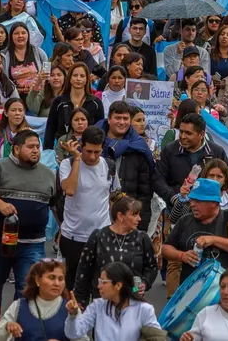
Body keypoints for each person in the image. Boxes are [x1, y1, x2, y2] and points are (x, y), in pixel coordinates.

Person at [0, 130, 56, 308]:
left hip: (33, 243)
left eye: (38, 147)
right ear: (16, 149)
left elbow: (56, 205)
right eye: (30, 147)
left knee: (28, 292)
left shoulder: (48, 174)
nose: (35, 151)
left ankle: (19, 331)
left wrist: (62, 229)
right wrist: (0, 204)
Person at [73, 196, 158, 307]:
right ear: (120, 216)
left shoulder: (142, 238)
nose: (139, 219)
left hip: (131, 302)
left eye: (139, 214)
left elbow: (152, 267)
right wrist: (80, 302)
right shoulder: (99, 236)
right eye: (134, 215)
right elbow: (83, 272)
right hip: (102, 303)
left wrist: (144, 283)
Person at [163, 178, 228, 283]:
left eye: (198, 201)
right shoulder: (185, 220)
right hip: (190, 290)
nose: (192, 204)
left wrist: (213, 240)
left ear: (213, 202)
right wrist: (182, 256)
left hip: (222, 290)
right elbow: (165, 248)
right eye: (192, 200)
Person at [57, 126, 111, 290]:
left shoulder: (108, 165)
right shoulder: (68, 164)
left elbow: (113, 195)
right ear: (81, 145)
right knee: (72, 287)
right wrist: (77, 158)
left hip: (101, 237)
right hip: (73, 237)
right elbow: (70, 190)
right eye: (88, 151)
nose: (93, 156)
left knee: (99, 287)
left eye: (97, 152)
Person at [65, 261, 161, 340]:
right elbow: (74, 334)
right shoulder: (97, 306)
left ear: (118, 285)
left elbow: (157, 338)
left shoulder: (144, 309)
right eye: (99, 281)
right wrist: (73, 316)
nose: (99, 286)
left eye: (103, 282)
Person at [153, 112, 228, 208]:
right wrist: (173, 197)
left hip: (209, 209)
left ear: (201, 134)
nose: (183, 136)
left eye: (188, 133)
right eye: (181, 132)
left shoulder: (216, 152)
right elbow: (158, 178)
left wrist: (222, 193)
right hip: (177, 210)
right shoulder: (169, 150)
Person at [98, 101, 155, 230]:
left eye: (125, 118)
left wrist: (141, 224)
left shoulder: (139, 148)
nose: (122, 122)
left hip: (127, 218)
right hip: (98, 216)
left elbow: (145, 192)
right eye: (118, 118)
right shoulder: (96, 143)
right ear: (109, 119)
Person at [0, 260, 72, 341]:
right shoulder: (18, 306)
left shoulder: (70, 309)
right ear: (37, 280)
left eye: (61, 279)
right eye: (51, 277)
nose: (57, 283)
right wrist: (6, 327)